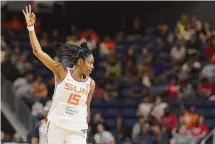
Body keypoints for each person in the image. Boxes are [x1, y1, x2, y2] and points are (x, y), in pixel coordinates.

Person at [22, 5, 95, 144]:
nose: (92, 66)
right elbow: (38, 52)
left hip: (77, 130)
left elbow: (87, 108)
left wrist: (85, 126)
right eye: (90, 63)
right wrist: (31, 28)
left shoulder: (91, 83)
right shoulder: (62, 72)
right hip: (57, 126)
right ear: (79, 62)